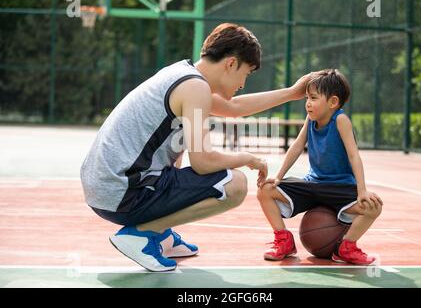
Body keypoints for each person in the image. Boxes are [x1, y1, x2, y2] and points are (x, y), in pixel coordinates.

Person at [80, 23, 312, 271]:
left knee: (173, 150)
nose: (243, 83)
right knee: (233, 185)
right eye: (246, 73)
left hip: (105, 188)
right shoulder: (195, 87)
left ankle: (162, 235)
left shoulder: (183, 75)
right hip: (121, 193)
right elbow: (202, 163)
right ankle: (144, 233)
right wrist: (246, 158)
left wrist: (292, 92)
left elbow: (233, 109)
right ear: (231, 63)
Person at [257, 69, 383, 265]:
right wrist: (279, 177)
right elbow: (298, 145)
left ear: (333, 102)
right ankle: (284, 240)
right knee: (265, 190)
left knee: (373, 206)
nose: (308, 102)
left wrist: (362, 190)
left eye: (313, 98)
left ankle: (346, 247)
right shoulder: (311, 119)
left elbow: (353, 155)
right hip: (313, 185)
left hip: (339, 187)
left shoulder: (340, 120)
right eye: (307, 97)